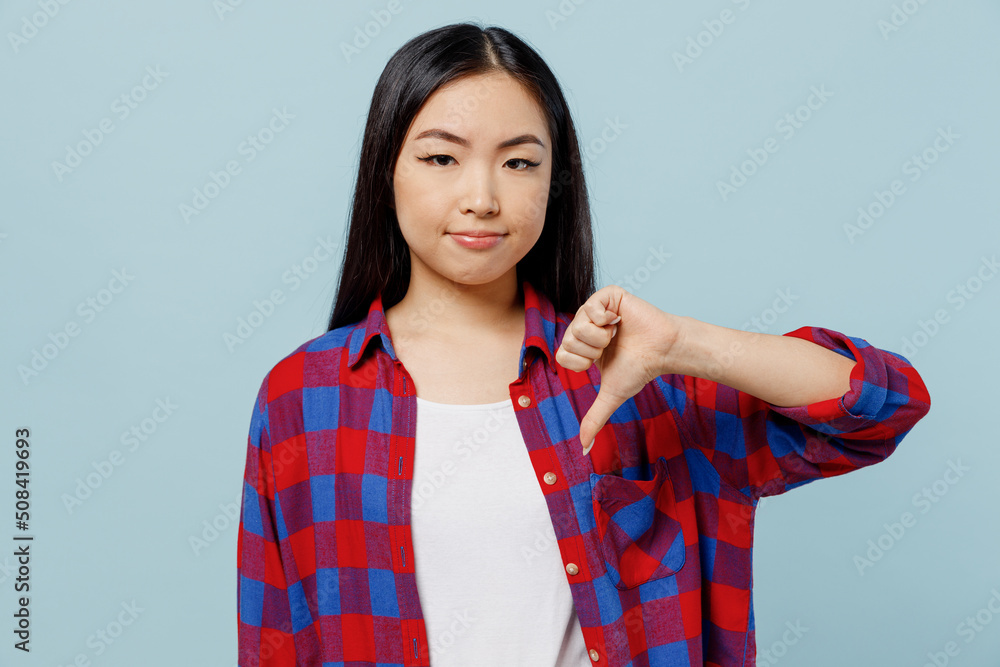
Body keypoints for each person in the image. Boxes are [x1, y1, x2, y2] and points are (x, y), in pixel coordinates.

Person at [236, 22, 931, 666]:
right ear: (386, 170)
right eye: (442, 157)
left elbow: (881, 405)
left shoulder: (630, 372)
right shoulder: (303, 398)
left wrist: (686, 343)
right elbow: (273, 640)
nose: (481, 196)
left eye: (519, 163)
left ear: (555, 181)